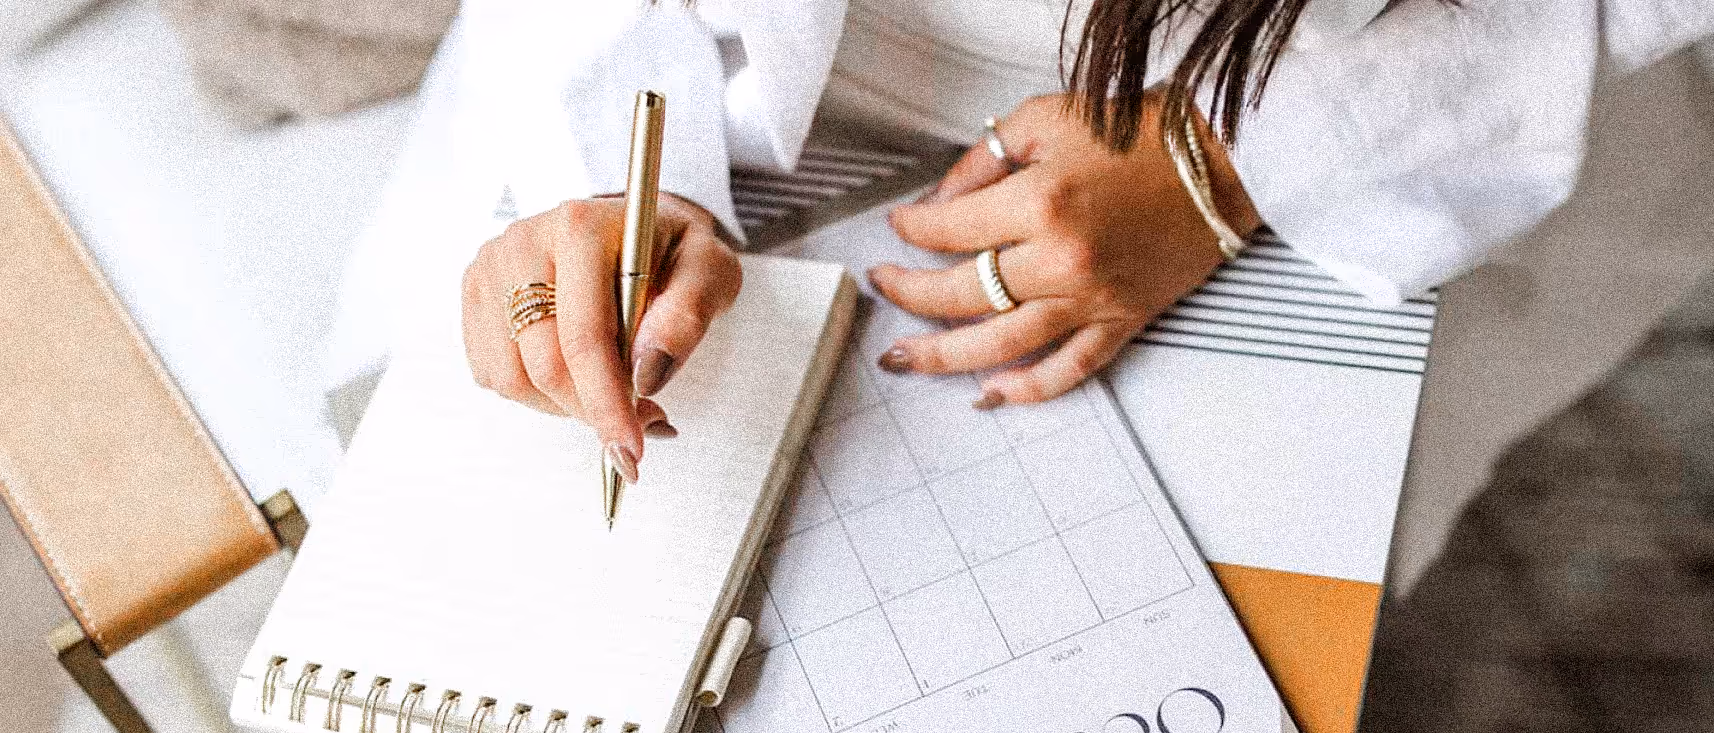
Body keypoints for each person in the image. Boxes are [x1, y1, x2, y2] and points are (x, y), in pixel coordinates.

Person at [457, 0, 1714, 486]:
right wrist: (612, 169)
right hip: (784, 76)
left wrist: (1229, 159)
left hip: (1371, 108)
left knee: (1212, 685)